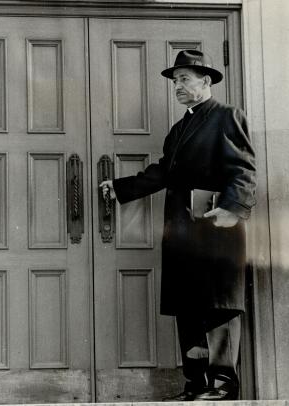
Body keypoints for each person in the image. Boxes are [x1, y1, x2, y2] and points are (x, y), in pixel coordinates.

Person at [100, 49, 256, 401]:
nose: (177, 86)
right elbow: (163, 172)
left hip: (217, 227)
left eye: (184, 79)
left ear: (206, 80)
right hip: (182, 230)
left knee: (219, 306)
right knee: (187, 306)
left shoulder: (227, 116)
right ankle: (196, 384)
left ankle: (223, 386)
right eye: (175, 81)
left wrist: (233, 208)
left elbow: (243, 169)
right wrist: (120, 187)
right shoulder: (180, 127)